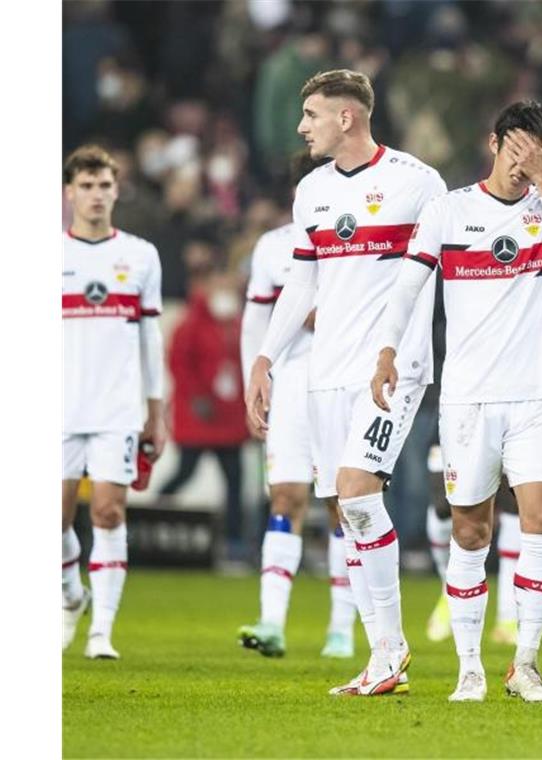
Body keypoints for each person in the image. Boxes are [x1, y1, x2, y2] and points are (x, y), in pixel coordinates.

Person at [371, 100, 542, 702]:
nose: (526, 158)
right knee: (471, 532)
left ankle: (525, 664)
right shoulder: (448, 209)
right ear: (494, 142)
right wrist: (387, 350)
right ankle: (469, 666)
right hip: (468, 400)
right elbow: (408, 285)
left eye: (540, 148)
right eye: (518, 144)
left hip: (536, 397)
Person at [245, 69, 446, 697]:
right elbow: (301, 282)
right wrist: (265, 358)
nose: (301, 125)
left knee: (358, 494)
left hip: (392, 370)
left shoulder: (418, 184)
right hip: (326, 370)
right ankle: (381, 653)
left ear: (347, 117)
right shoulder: (311, 192)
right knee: (344, 510)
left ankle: (390, 649)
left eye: (310, 114)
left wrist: (410, 352)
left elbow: (437, 279)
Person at [237, 153, 357, 660]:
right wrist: (254, 380)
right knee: (284, 497)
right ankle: (271, 622)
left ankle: (341, 629)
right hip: (289, 387)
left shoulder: (356, 240)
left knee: (344, 506)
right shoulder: (272, 248)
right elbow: (254, 323)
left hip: (343, 383)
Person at [63, 145, 166, 659]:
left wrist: (157, 411)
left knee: (106, 512)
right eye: (86, 186)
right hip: (57, 407)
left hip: (117, 409)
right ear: (69, 193)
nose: (96, 195)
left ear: (116, 190)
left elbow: (152, 339)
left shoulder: (141, 255)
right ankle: (70, 594)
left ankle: (102, 631)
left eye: (104, 185)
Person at [158, 269, 248, 561]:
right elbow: (178, 363)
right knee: (185, 472)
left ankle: (234, 542)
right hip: (198, 416)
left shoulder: (237, 323)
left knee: (235, 482)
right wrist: (196, 396)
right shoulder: (190, 324)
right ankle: (156, 518)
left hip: (229, 417)